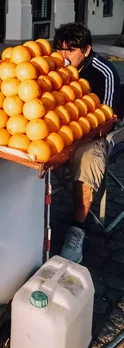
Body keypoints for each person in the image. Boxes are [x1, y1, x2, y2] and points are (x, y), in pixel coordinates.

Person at [53, 22, 121, 263]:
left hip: (100, 134)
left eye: (70, 50)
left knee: (87, 158)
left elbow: (109, 118)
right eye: (60, 49)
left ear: (86, 50)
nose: (63, 55)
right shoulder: (55, 68)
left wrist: (79, 137)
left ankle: (77, 228)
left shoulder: (104, 72)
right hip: (64, 130)